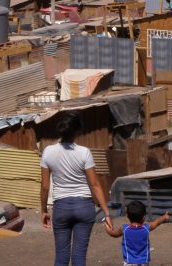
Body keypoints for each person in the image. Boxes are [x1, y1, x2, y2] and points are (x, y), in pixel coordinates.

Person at [40, 111, 112, 266]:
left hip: (61, 208)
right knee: (79, 256)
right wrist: (106, 212)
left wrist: (44, 210)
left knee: (61, 256)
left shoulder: (48, 152)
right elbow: (94, 184)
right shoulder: (84, 153)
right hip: (84, 207)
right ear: (78, 131)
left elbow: (45, 186)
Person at [104, 201, 169, 266]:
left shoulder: (124, 229)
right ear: (144, 217)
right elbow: (157, 222)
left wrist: (108, 228)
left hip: (129, 262)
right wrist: (164, 217)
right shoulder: (146, 228)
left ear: (127, 215)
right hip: (144, 262)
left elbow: (114, 234)